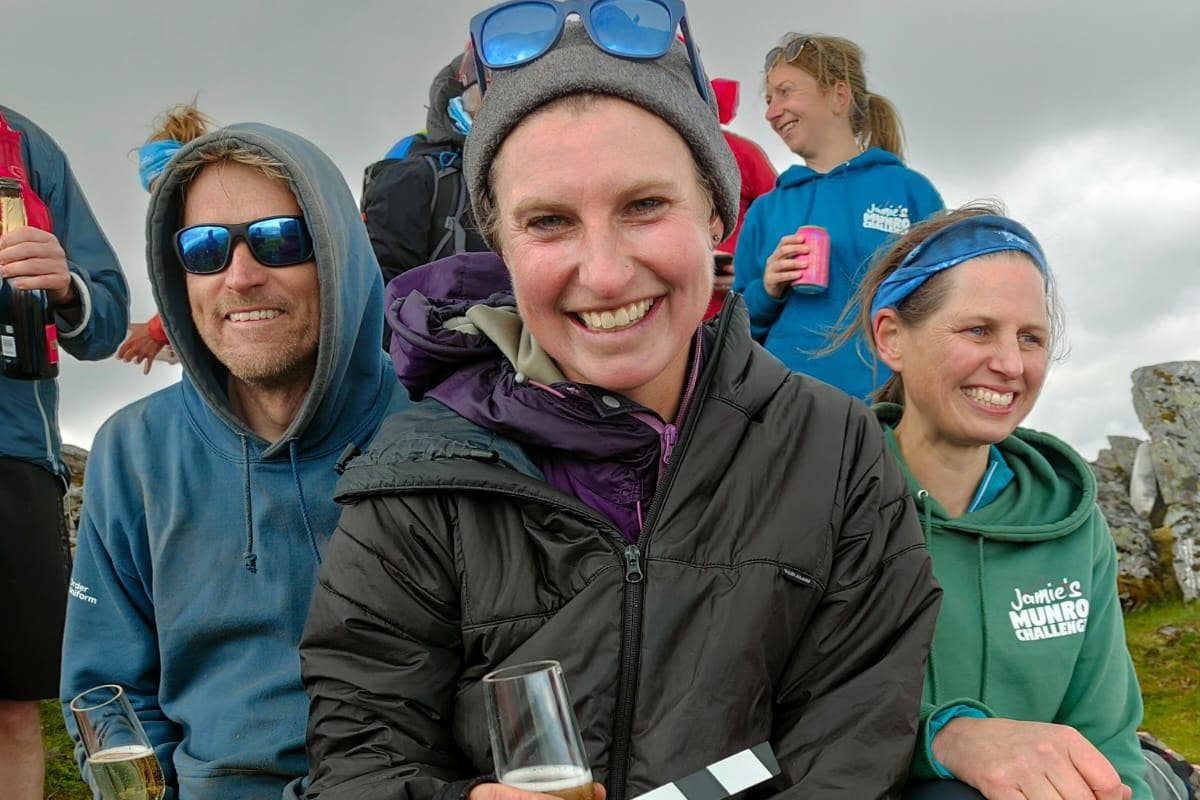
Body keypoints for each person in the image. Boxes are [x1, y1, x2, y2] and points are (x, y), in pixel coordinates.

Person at [301, 10, 941, 800]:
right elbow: (362, 748)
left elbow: (854, 729)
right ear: (498, 240)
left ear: (716, 214)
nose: (603, 275)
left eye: (644, 205)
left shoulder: (835, 448)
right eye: (549, 221)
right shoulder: (417, 472)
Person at [59, 122, 409, 799]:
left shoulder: (438, 438)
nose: (241, 276)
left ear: (339, 254)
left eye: (282, 240)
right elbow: (108, 693)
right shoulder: (132, 452)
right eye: (205, 249)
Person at [841, 202, 1181, 800]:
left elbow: (1105, 735)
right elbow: (782, 718)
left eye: (1031, 338)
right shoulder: (821, 499)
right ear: (891, 337)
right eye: (978, 330)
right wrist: (944, 735)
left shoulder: (1070, 525)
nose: (1009, 365)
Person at [0, 104, 129, 800]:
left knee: (12, 708)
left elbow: (104, 317)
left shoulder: (24, 147)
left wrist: (64, 284)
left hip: (11, 453)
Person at [732, 33, 943, 400]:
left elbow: (946, 302)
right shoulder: (766, 210)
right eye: (768, 100)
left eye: (785, 92)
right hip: (784, 408)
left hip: (888, 407)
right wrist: (767, 288)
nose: (770, 112)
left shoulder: (911, 193)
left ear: (838, 96)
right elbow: (736, 331)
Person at [360, 44, 490, 289]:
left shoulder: (540, 176)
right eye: (482, 100)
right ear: (455, 105)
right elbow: (382, 288)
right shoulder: (413, 178)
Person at [117, 103, 213, 373]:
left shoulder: (209, 224)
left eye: (167, 186)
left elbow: (207, 287)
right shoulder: (179, 225)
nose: (161, 201)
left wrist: (156, 332)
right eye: (154, 191)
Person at [705, 77, 776, 320]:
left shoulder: (744, 153)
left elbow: (774, 210)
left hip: (732, 291)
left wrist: (747, 266)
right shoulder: (747, 152)